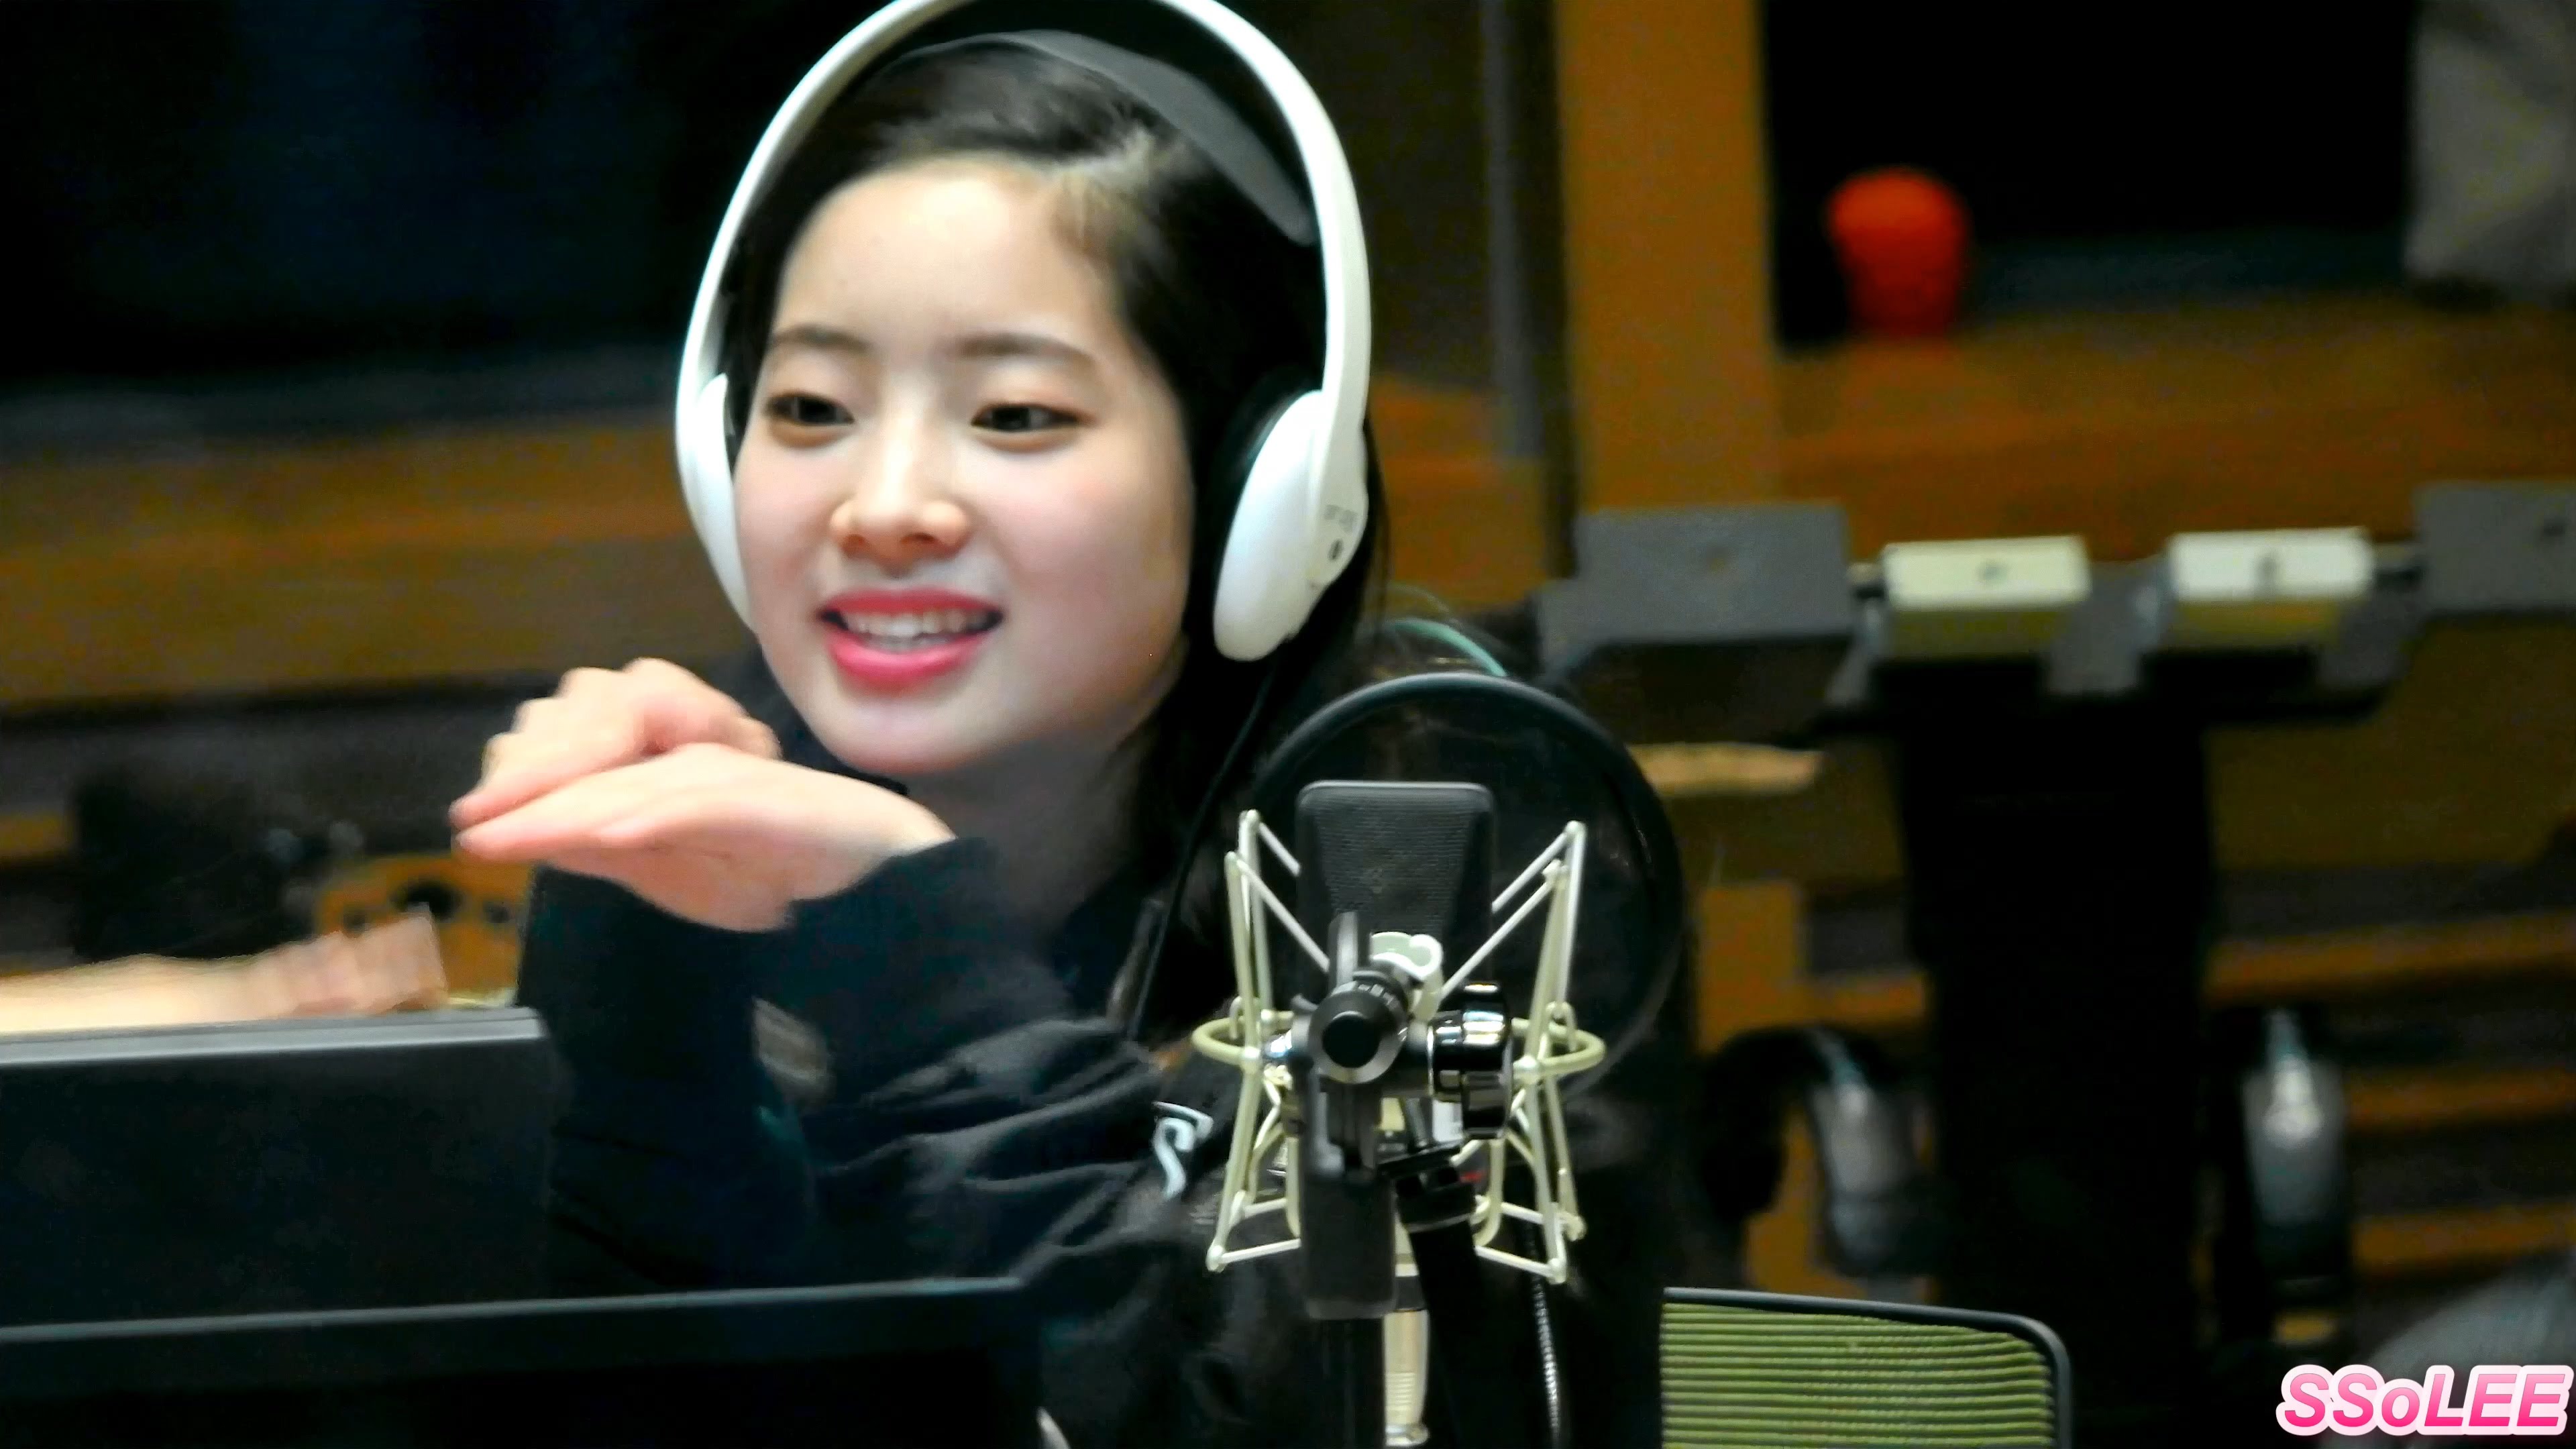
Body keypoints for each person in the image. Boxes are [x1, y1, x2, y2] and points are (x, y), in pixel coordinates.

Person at [451, 7, 1713, 1444]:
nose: (884, 506)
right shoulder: (718, 843)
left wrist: (921, 960)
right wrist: (634, 972)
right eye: (810, 406)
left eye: (1015, 415)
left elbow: (1331, 1422)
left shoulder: (1448, 859)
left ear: (1257, 480)